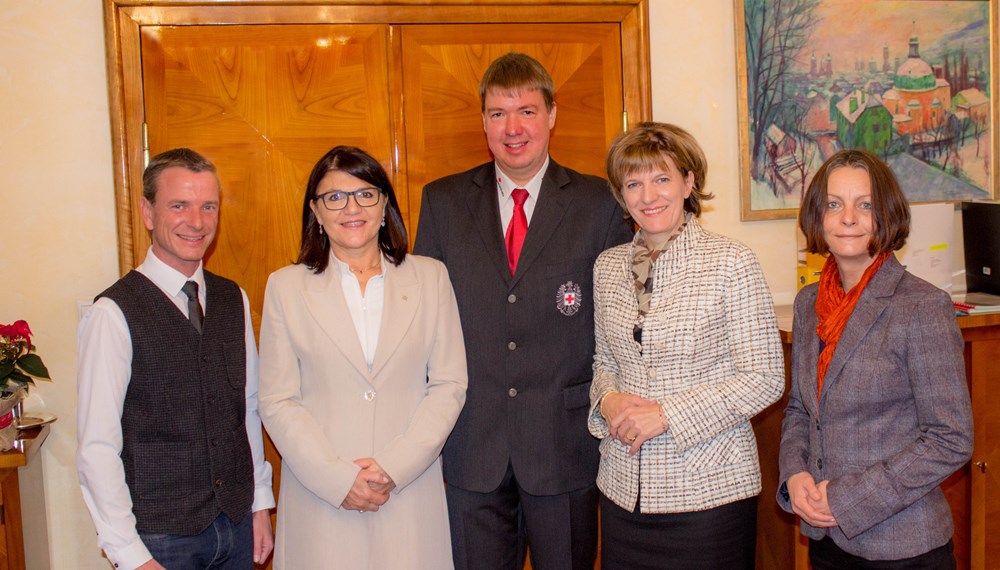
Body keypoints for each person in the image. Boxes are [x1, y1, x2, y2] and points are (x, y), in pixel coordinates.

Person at [413, 52, 633, 569]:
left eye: (527, 111)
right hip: (471, 447)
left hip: (564, 447)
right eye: (497, 113)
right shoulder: (442, 202)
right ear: (483, 121)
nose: (513, 128)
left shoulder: (600, 203)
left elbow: (619, 328)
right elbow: (419, 326)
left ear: (552, 115)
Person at [257, 146, 467, 569]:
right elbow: (278, 401)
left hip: (407, 492)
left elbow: (449, 385)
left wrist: (393, 466)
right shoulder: (286, 287)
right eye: (334, 197)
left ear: (384, 202)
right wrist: (339, 479)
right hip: (322, 499)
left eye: (365, 194)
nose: (351, 208)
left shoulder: (430, 277)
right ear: (315, 211)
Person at [588, 122, 784, 569]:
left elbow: (765, 377)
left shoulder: (731, 261)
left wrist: (666, 414)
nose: (648, 195)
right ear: (621, 194)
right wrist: (609, 399)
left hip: (708, 492)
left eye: (662, 178)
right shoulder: (607, 266)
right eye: (634, 183)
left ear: (689, 182)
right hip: (624, 489)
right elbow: (604, 360)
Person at [77, 148, 275, 570]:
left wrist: (260, 504)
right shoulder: (112, 313)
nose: (197, 221)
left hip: (237, 526)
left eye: (208, 206)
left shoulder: (231, 298)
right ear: (148, 213)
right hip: (159, 540)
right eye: (179, 205)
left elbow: (248, 409)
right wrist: (130, 555)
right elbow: (97, 446)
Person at [777, 148, 973, 568]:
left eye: (864, 205)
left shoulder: (921, 306)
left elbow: (950, 439)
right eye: (834, 204)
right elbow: (799, 409)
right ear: (817, 216)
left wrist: (848, 499)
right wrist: (794, 476)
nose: (848, 217)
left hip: (902, 547)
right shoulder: (809, 302)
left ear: (886, 215)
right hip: (826, 541)